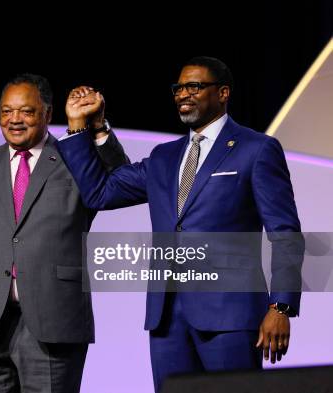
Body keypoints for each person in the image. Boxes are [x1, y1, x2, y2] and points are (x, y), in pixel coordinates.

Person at [56, 57, 302, 392]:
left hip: (230, 317)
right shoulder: (164, 157)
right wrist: (84, 129)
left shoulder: (256, 149)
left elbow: (285, 233)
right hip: (167, 318)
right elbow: (101, 192)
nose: (183, 94)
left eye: (195, 86)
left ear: (223, 92)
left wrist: (282, 306)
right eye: (179, 88)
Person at [0, 74, 128, 392]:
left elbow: (121, 183)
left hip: (54, 323)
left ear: (48, 114)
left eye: (26, 111)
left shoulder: (73, 157)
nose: (14, 120)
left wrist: (99, 126)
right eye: (6, 112)